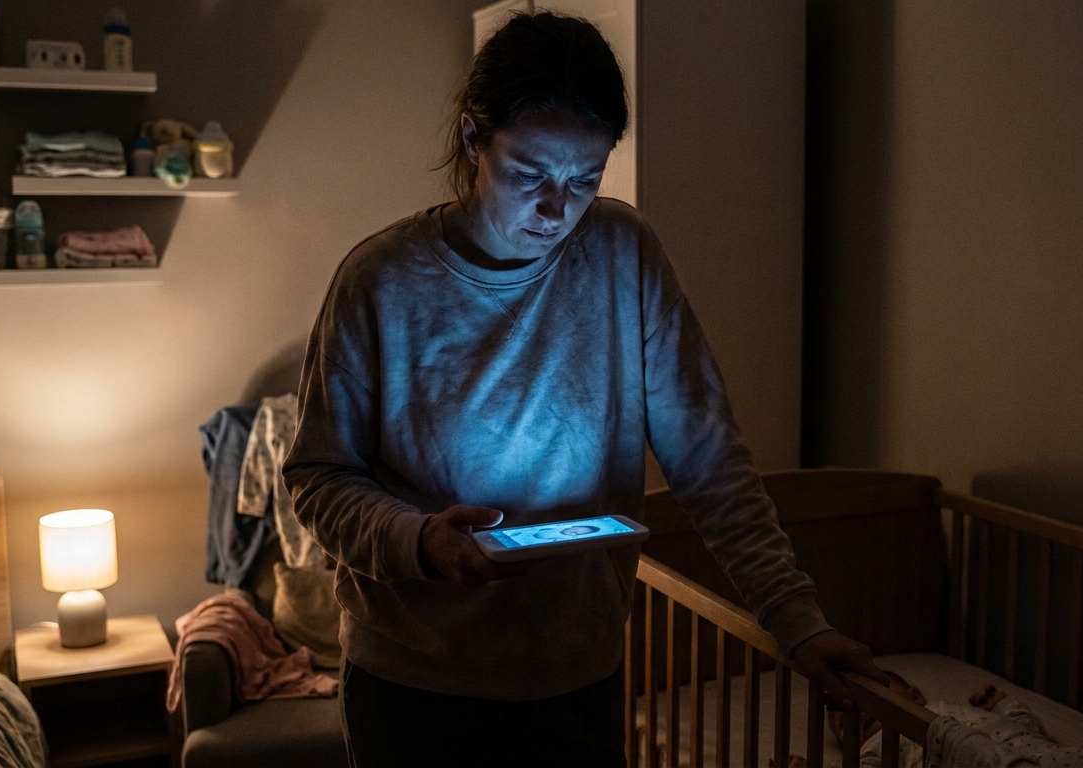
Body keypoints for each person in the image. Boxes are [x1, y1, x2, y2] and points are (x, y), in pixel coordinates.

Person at [283, 11, 906, 767]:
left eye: (584, 179)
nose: (557, 209)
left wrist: (797, 619)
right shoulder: (380, 280)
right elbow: (318, 478)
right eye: (530, 175)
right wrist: (419, 540)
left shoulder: (621, 251)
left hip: (576, 675)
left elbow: (710, 461)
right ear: (474, 139)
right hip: (415, 685)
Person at [827, 682, 1083, 768]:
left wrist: (1002, 704)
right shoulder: (876, 747)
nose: (859, 711)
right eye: (845, 723)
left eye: (877, 691)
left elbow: (1027, 729)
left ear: (915, 696)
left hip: (1044, 755)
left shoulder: (944, 709)